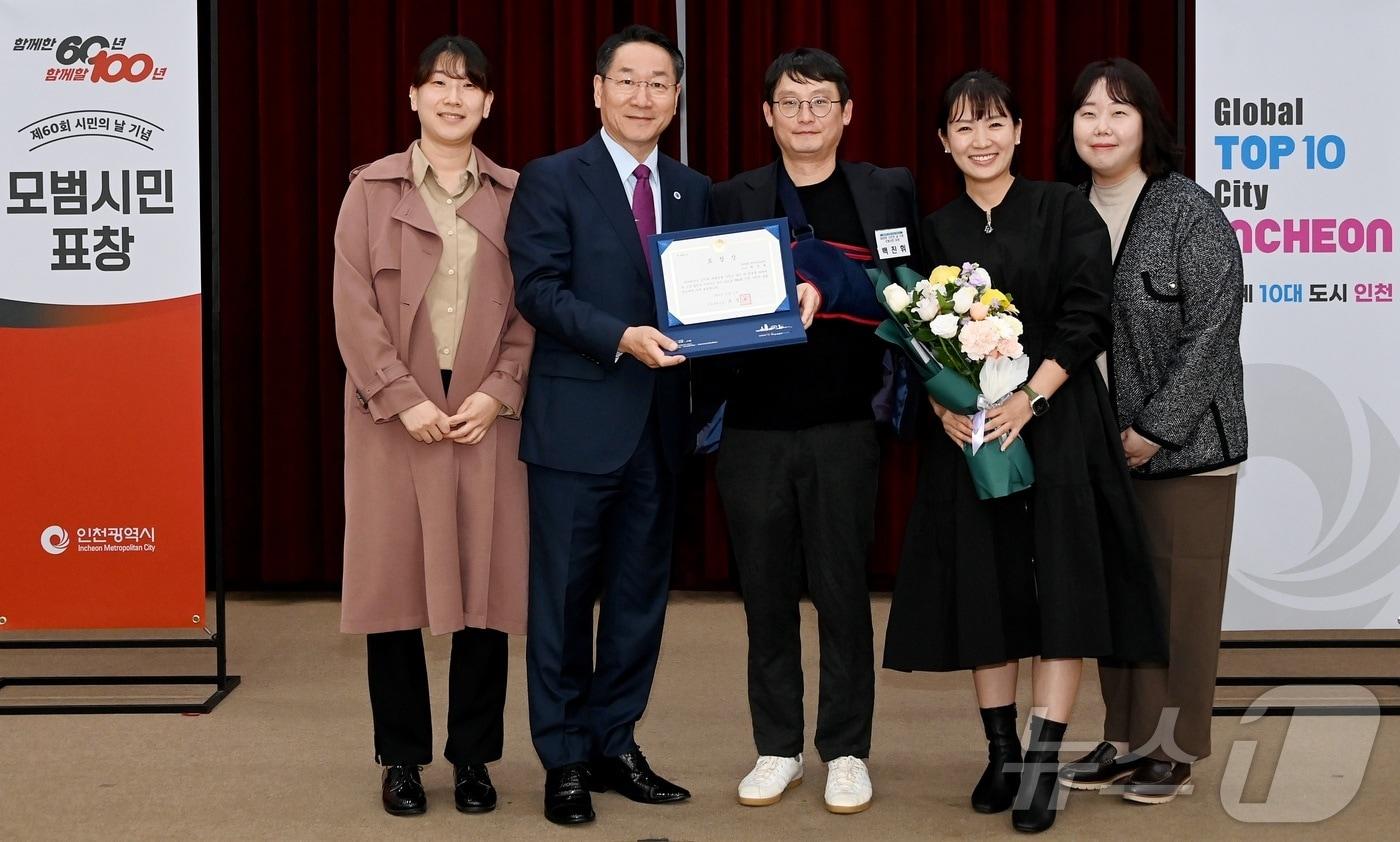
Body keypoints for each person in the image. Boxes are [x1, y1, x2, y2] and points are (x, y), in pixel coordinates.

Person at [881, 69, 1165, 833]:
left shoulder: (1064, 210)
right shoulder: (931, 230)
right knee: (987, 588)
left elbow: (1087, 314)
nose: (982, 140)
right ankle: (1000, 753)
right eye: (964, 127)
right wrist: (945, 403)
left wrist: (1031, 395)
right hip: (970, 439)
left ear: (1018, 131)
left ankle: (1043, 764)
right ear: (944, 142)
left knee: (1061, 589)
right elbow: (914, 337)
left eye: (995, 123)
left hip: (1060, 424)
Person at [505, 24, 711, 827]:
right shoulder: (552, 180)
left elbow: (711, 299)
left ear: (676, 97)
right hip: (575, 424)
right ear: (597, 89)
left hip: (661, 429)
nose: (642, 96)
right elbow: (539, 290)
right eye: (627, 80)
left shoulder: (694, 190)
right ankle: (562, 759)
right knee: (560, 600)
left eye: (659, 82)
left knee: (637, 599)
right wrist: (618, 336)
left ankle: (615, 742)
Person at [707, 47, 922, 816]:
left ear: (847, 113)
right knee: (763, 594)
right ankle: (777, 746)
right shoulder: (730, 198)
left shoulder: (886, 190)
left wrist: (830, 285)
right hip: (755, 429)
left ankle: (848, 750)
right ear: (766, 115)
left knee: (841, 593)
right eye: (790, 103)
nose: (805, 116)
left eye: (820, 101)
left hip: (845, 427)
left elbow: (912, 294)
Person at [332, 36, 534, 818]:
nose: (453, 97)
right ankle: (402, 760)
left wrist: (499, 391)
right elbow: (352, 308)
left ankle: (476, 758)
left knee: (485, 587)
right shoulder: (370, 192)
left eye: (469, 85)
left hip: (488, 413)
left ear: (488, 104)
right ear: (413, 97)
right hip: (394, 414)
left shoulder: (517, 196)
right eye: (438, 83)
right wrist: (401, 395)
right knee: (396, 593)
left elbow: (531, 309)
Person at [1054, 57, 1247, 805]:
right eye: (1087, 112)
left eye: (1119, 112)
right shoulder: (1067, 211)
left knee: (1180, 602)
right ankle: (1126, 740)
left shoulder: (1188, 210)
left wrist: (1155, 430)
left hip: (1187, 451)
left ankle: (1172, 750)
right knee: (1116, 599)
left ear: (1148, 124)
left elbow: (1212, 334)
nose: (1101, 126)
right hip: (1094, 447)